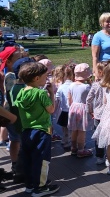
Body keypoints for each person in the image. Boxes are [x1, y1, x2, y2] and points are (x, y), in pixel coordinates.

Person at [15, 62, 60, 196]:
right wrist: (51, 93)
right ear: (36, 78)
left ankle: (30, 184)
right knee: (41, 159)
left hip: (26, 131)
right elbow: (51, 109)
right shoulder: (40, 94)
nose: (47, 79)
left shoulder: (21, 92)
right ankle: (40, 187)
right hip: (41, 131)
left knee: (28, 159)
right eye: (45, 76)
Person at [67, 63, 92, 158]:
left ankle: (73, 147)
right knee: (82, 131)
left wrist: (71, 106)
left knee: (74, 129)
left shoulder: (71, 85)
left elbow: (69, 98)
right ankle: (81, 150)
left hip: (73, 107)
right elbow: (89, 99)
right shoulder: (86, 87)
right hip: (82, 108)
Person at [86, 62, 107, 165]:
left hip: (98, 114)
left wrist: (89, 110)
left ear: (100, 72)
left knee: (98, 135)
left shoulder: (95, 85)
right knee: (109, 135)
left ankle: (99, 156)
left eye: (94, 72)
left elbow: (88, 99)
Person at [55, 64, 74, 151]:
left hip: (64, 110)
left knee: (65, 128)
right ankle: (72, 141)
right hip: (73, 111)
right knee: (72, 128)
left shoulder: (61, 86)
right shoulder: (74, 86)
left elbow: (57, 97)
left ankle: (65, 140)